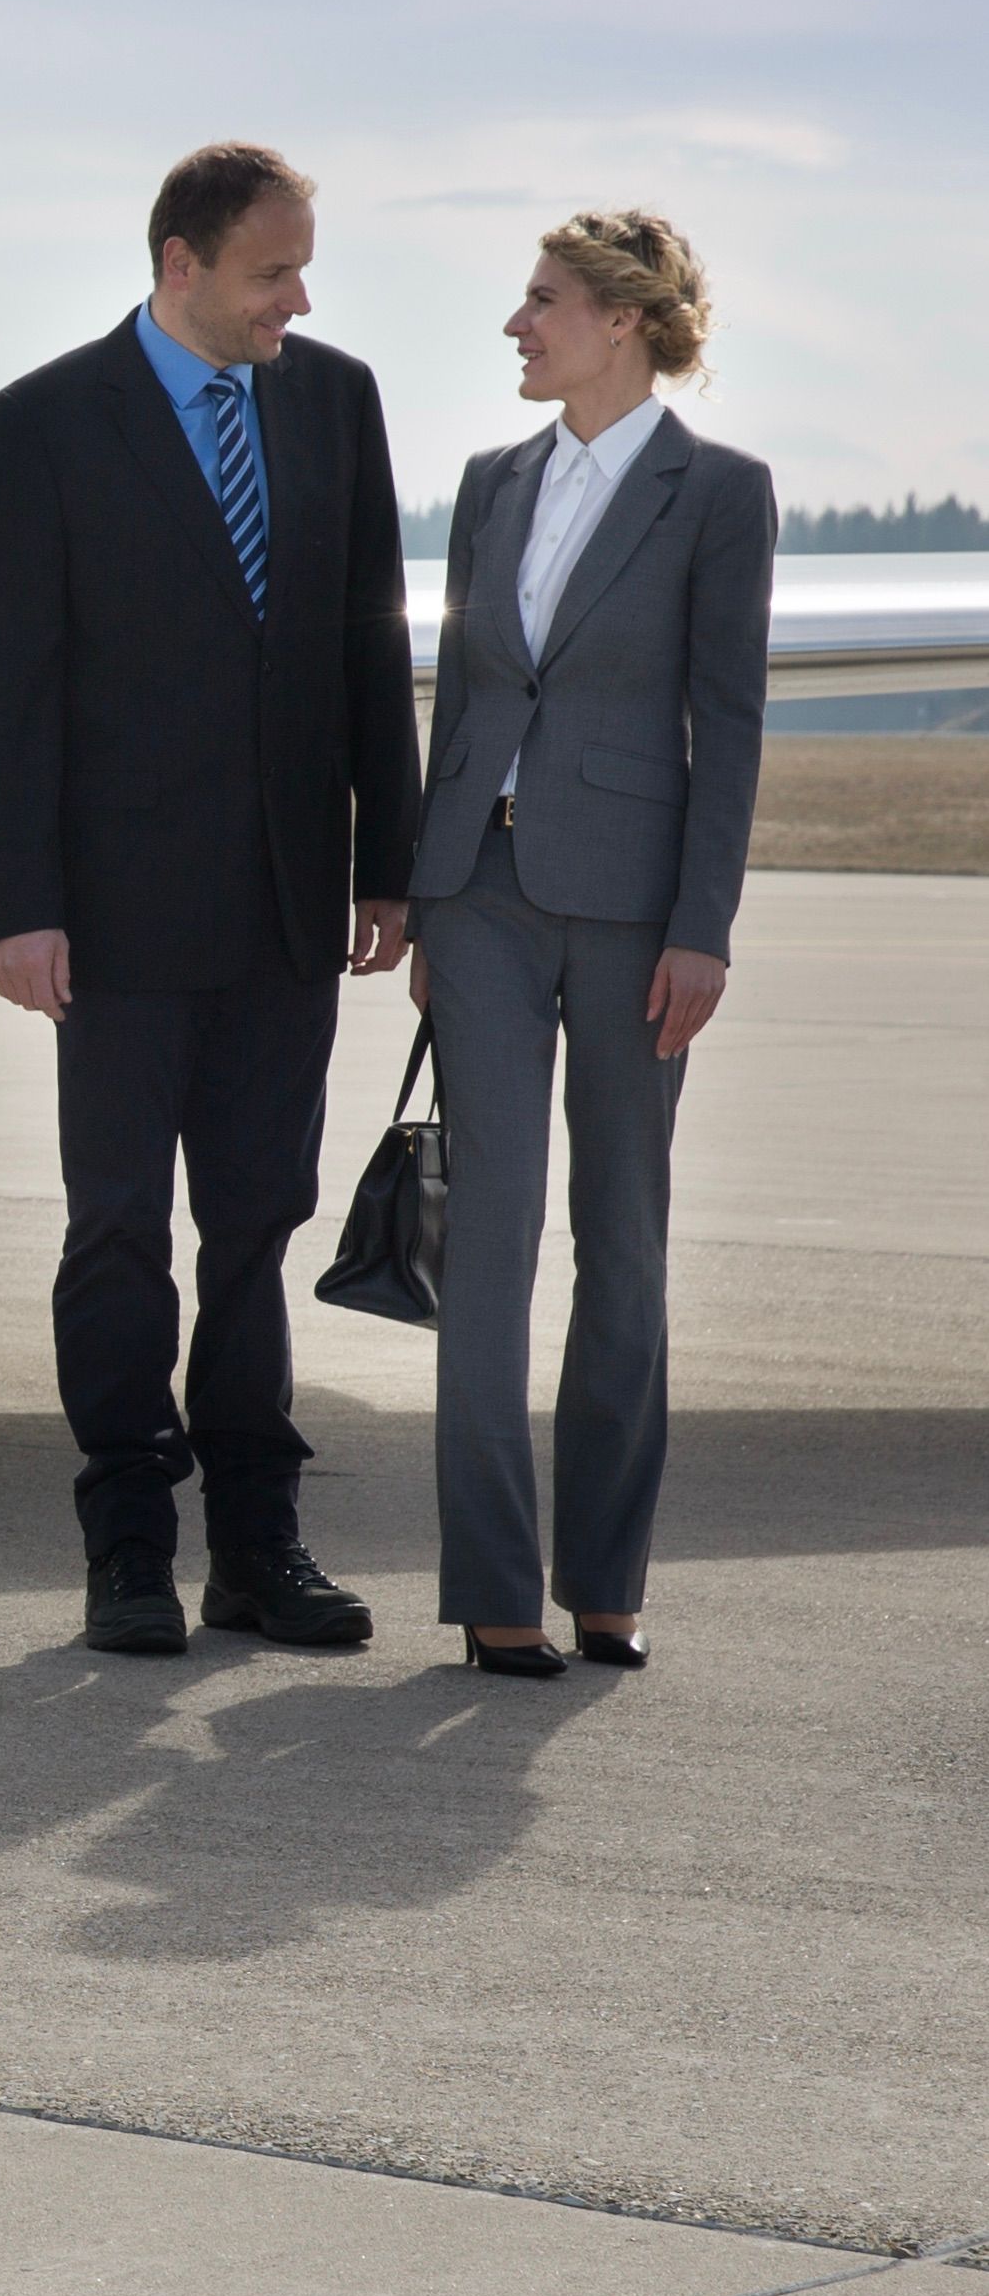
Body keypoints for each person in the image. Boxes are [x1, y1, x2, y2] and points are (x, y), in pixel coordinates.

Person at [0, 143, 420, 1659]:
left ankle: (257, 1547)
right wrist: (18, 903)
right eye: (270, 270)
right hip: (112, 920)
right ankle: (126, 1548)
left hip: (286, 908)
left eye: (302, 267)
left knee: (253, 1228)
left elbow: (369, 641)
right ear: (179, 266)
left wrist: (386, 861)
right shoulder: (35, 427)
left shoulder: (330, 398)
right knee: (115, 1235)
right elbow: (6, 688)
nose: (296, 296)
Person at [404, 213, 768, 1677]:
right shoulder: (490, 485)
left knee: (622, 1239)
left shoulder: (715, 491)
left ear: (619, 320)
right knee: (487, 1243)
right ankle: (494, 1588)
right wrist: (427, 893)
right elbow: (457, 695)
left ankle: (604, 1574)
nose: (515, 323)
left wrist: (702, 928)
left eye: (540, 301)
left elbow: (725, 723)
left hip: (632, 914)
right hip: (479, 898)